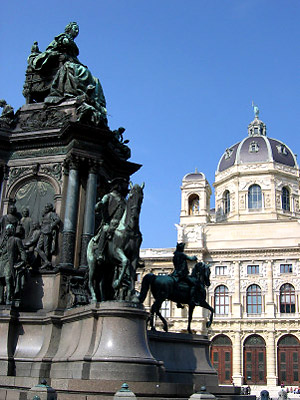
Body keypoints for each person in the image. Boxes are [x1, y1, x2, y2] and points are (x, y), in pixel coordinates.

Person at [93, 178, 129, 262]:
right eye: (123, 185)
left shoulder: (124, 201)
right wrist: (99, 205)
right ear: (118, 186)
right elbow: (98, 206)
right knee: (105, 230)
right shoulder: (108, 196)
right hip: (110, 223)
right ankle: (99, 252)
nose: (125, 188)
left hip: (121, 224)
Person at [0, 224, 27, 305]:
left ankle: (8, 298)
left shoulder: (16, 240)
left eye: (9, 229)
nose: (7, 230)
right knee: (0, 281)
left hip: (9, 261)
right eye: (6, 229)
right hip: (1, 261)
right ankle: (1, 299)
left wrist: (23, 261)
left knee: (8, 279)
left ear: (12, 230)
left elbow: (22, 251)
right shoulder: (2, 241)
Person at [171, 242, 198, 307]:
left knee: (178, 286)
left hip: (175, 273)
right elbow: (191, 259)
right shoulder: (182, 255)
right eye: (183, 248)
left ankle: (178, 302)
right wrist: (195, 257)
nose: (183, 249)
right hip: (182, 274)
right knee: (193, 285)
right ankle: (192, 300)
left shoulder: (175, 255)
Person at [36, 203, 60, 269]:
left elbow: (57, 220)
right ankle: (46, 261)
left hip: (47, 232)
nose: (45, 208)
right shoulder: (45, 215)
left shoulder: (51, 214)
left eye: (47, 207)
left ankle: (46, 263)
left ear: (50, 208)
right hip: (43, 231)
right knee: (37, 248)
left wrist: (52, 225)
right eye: (45, 207)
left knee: (46, 248)